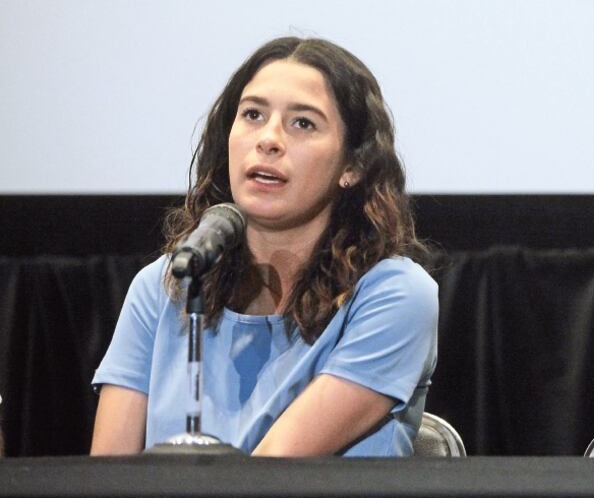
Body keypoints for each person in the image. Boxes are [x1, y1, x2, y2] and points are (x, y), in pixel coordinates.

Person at [91, 37, 437, 456]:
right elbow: (107, 477)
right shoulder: (164, 287)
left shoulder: (394, 295)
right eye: (253, 114)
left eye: (303, 123)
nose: (269, 139)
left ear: (353, 166)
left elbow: (270, 473)